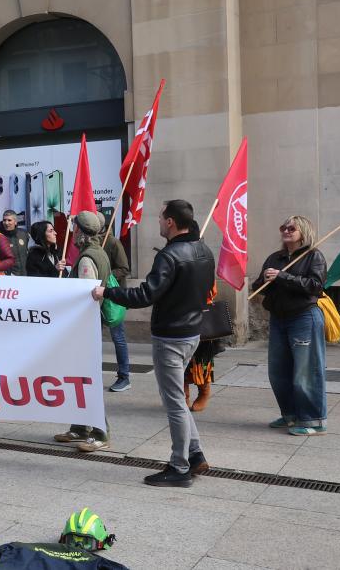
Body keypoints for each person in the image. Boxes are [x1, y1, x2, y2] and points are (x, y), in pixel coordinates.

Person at [94, 200, 214, 487]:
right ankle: (195, 455)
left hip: (171, 336)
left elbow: (146, 294)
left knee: (173, 402)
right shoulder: (204, 250)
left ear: (171, 222)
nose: (158, 222)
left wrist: (108, 292)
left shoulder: (171, 255)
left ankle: (179, 467)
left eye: (161, 218)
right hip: (190, 333)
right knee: (177, 399)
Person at [254, 215, 328, 435]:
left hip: (304, 318)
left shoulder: (313, 256)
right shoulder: (274, 258)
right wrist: (264, 281)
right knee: (278, 372)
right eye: (283, 227)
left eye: (291, 228)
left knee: (305, 372)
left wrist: (283, 277)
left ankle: (313, 420)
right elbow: (259, 287)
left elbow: (315, 286)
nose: (286, 231)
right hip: (278, 319)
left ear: (302, 232)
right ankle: (291, 415)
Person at [54, 212, 113, 452]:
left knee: (88, 378)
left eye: (75, 229)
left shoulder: (88, 258)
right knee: (79, 377)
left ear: (81, 232)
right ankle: (80, 427)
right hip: (86, 327)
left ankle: (101, 432)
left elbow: (85, 295)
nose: (73, 233)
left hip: (85, 328)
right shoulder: (98, 252)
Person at [100, 217, 133, 393]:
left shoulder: (113, 242)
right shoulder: (89, 244)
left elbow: (124, 268)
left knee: (118, 337)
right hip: (95, 297)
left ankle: (124, 376)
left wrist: (105, 275)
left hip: (113, 297)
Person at [0, 210, 30, 277]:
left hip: (26, 274)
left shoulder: (24, 234)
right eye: (4, 220)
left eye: (9, 220)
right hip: (9, 276)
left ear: (15, 222)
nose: (6, 223)